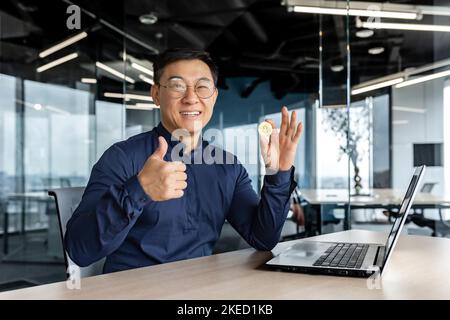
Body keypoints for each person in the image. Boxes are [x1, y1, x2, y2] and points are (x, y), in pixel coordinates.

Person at [64, 48, 303, 274]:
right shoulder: (122, 157)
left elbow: (263, 239)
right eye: (178, 86)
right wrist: (139, 189)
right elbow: (79, 251)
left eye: (202, 87)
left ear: (214, 97)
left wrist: (277, 172)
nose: (191, 98)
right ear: (156, 94)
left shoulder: (227, 166)